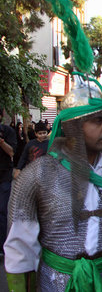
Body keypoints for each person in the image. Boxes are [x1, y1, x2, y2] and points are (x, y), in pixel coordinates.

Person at [4, 78, 102, 291]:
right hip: (56, 284)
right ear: (72, 126)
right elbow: (19, 250)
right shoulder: (37, 175)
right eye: (98, 120)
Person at [0, 108, 17, 258]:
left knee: (2, 211)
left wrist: (1, 141)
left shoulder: (7, 132)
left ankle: (2, 247)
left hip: (4, 176)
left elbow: (12, 152)